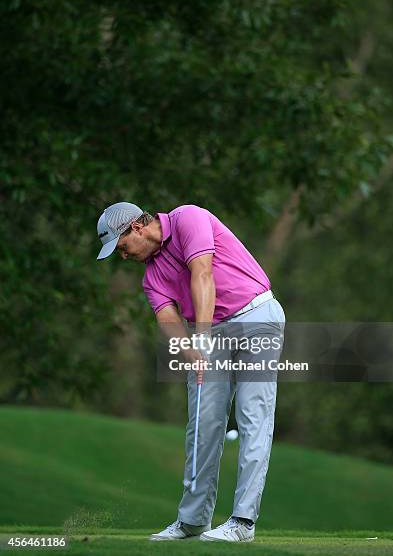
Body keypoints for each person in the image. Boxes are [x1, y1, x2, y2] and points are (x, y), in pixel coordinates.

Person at [96, 201, 285, 542]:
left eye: (122, 247)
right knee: (202, 423)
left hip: (256, 317)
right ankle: (193, 521)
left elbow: (202, 273)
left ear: (137, 227)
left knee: (252, 416)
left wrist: (202, 336)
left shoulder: (188, 218)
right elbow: (167, 319)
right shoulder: (152, 277)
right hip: (212, 333)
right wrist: (191, 354)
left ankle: (242, 522)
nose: (122, 257)